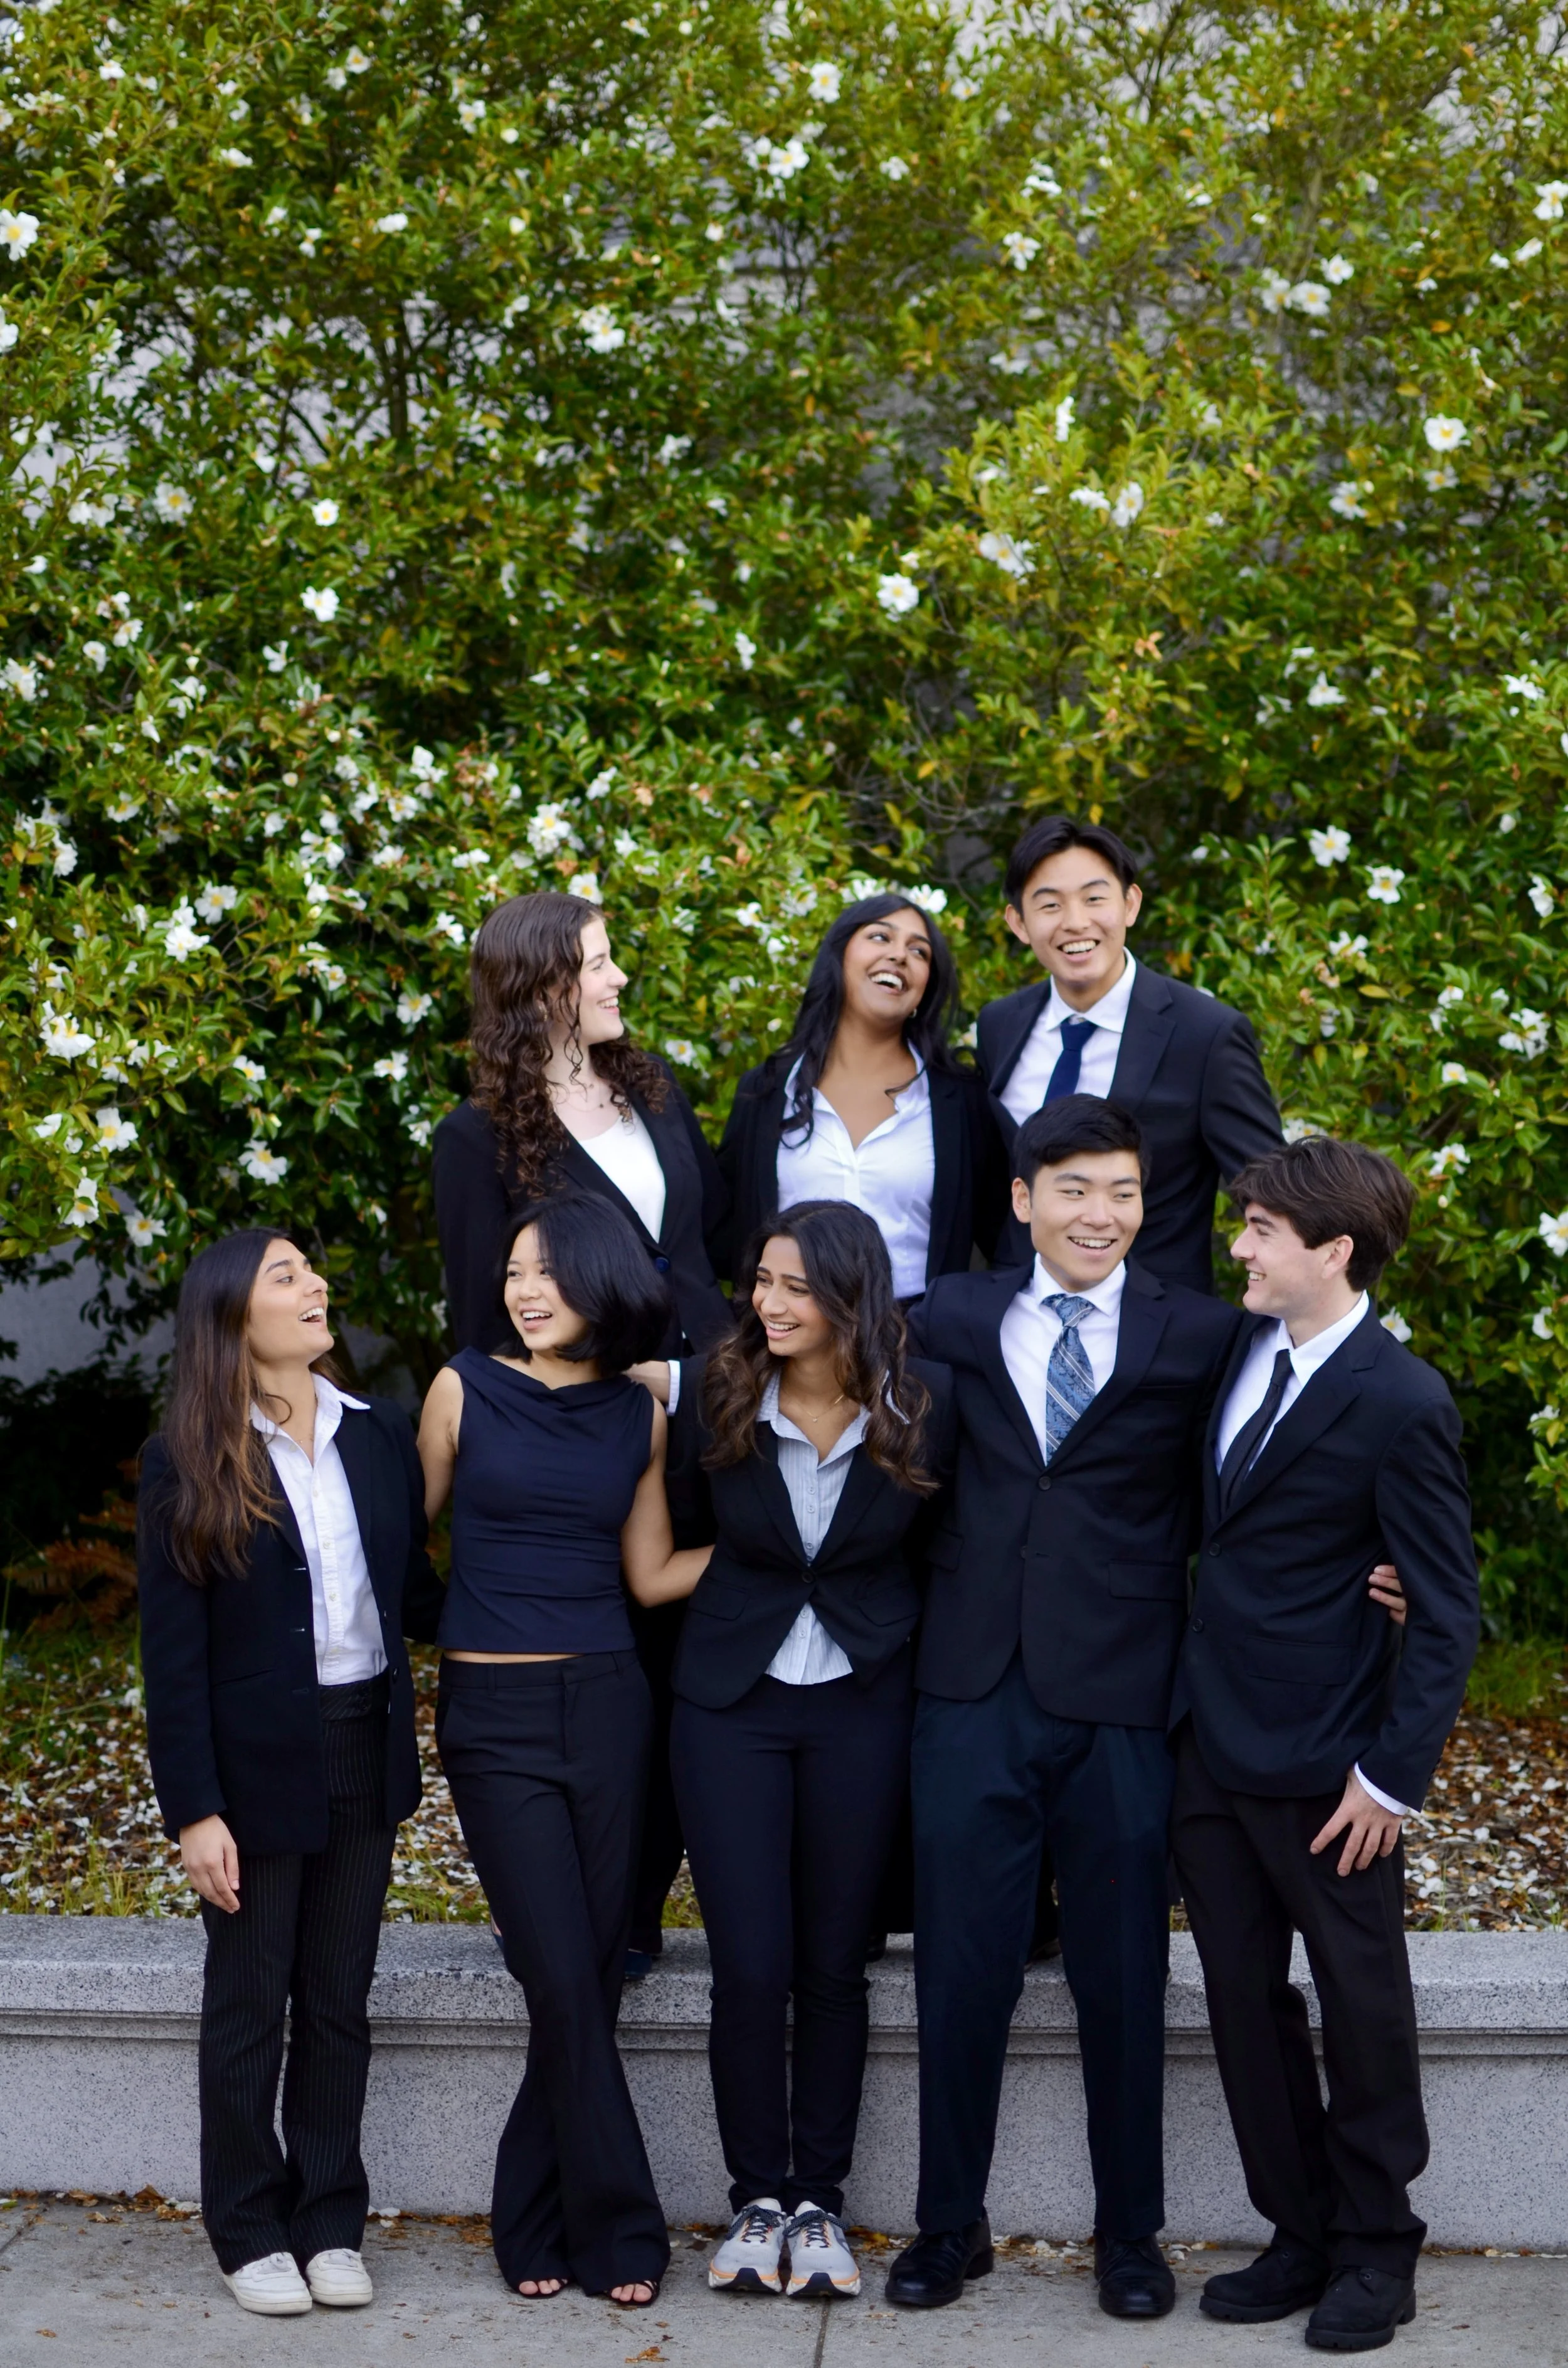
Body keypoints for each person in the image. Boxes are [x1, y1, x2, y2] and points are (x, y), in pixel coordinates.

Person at [884, 1097, 1241, 2322]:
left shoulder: (1196, 1333)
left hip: (1124, 1698)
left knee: (1122, 1973)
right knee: (960, 1972)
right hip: (970, 1687)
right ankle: (947, 2226)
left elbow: (1284, 1443)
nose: (1101, 1214)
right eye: (1075, 1189)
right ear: (1023, 1201)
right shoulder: (950, 1313)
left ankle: (1130, 2234)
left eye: (1123, 1193)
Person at [1170, 1137, 1480, 2352]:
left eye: (1257, 1229)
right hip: (1212, 1752)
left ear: (1330, 1250)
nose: (1237, 1245)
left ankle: (1374, 2247)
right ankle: (1295, 2232)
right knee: (1242, 2006)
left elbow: (1446, 1609)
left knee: (1359, 2006)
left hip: (1330, 1771)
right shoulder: (1243, 1350)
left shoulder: (1402, 1400)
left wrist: (1388, 1777)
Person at [139, 1230, 444, 2320]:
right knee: (249, 2003)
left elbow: (415, 1599)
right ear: (233, 1317)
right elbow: (171, 1660)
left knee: (337, 1999)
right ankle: (250, 2227)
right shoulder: (188, 1458)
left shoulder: (377, 1436)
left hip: (366, 1736)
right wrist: (196, 1811)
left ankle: (329, 2221)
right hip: (255, 1762)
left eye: (315, 1271)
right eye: (288, 1276)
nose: (317, 1286)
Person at [417, 1190, 711, 2310]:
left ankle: (531, 2215)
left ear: (600, 1278)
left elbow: (651, 1576)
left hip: (609, 1707)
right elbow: (407, 1537)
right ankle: (623, 2226)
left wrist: (784, 1552)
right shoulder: (462, 1386)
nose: (525, 1290)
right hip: (493, 1717)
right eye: (514, 1272)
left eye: (547, 1271)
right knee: (561, 1965)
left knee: (587, 1973)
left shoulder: (638, 1413)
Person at [433, 888, 729, 1977]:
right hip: (585, 1447)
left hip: (699, 1419)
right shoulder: (474, 1141)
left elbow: (703, 1260)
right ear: (540, 985)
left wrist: (702, 1377)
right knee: (618, 1676)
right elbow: (485, 1315)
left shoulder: (657, 1092)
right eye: (597, 965)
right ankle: (598, 1920)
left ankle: (638, 1899)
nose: (615, 982)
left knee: (695, 1675)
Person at [666, 1202, 954, 2304]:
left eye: (796, 1288)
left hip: (863, 1698)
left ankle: (819, 2203)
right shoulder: (717, 1390)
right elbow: (684, 1519)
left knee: (837, 1964)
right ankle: (756, 2199)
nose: (770, 1304)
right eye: (763, 1282)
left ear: (851, 1299)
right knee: (749, 1966)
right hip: (729, 1703)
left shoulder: (923, 1410)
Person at [977, 815, 1282, 1289]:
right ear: (1019, 922)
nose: (1076, 921)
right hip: (1016, 1311)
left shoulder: (1206, 1034)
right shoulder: (999, 1024)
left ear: (1130, 904)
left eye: (1095, 898)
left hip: (1156, 1324)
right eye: (1050, 904)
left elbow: (1271, 1194)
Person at [716, 893, 1005, 1303]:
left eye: (918, 951)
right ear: (840, 956)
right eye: (880, 937)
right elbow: (723, 1238)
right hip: (781, 1346)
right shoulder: (765, 1091)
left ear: (927, 986)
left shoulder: (963, 1103)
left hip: (916, 1346)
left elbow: (1006, 1241)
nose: (899, 955)